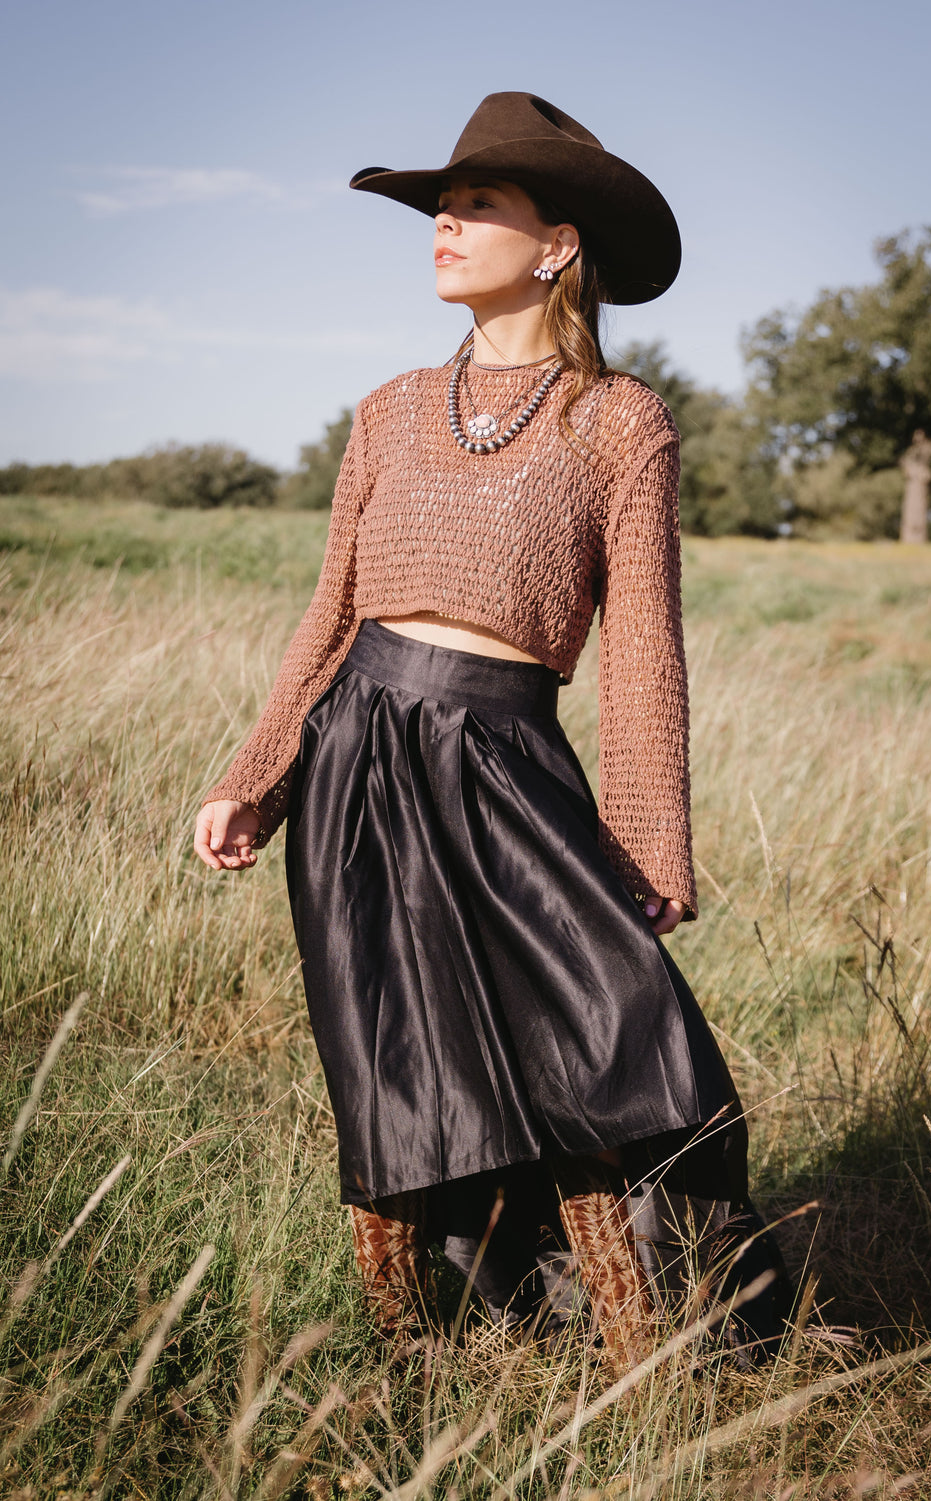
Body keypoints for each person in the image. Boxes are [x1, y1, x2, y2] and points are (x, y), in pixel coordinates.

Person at [194, 92, 790, 1371]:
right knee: (412, 1063)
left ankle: (684, 1346)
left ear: (558, 244)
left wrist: (649, 845)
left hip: (510, 761)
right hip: (359, 761)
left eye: (478, 205)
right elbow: (330, 618)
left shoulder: (619, 423)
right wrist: (259, 775)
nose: (445, 227)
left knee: (615, 1033)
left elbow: (642, 655)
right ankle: (457, 1345)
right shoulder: (387, 409)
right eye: (441, 207)